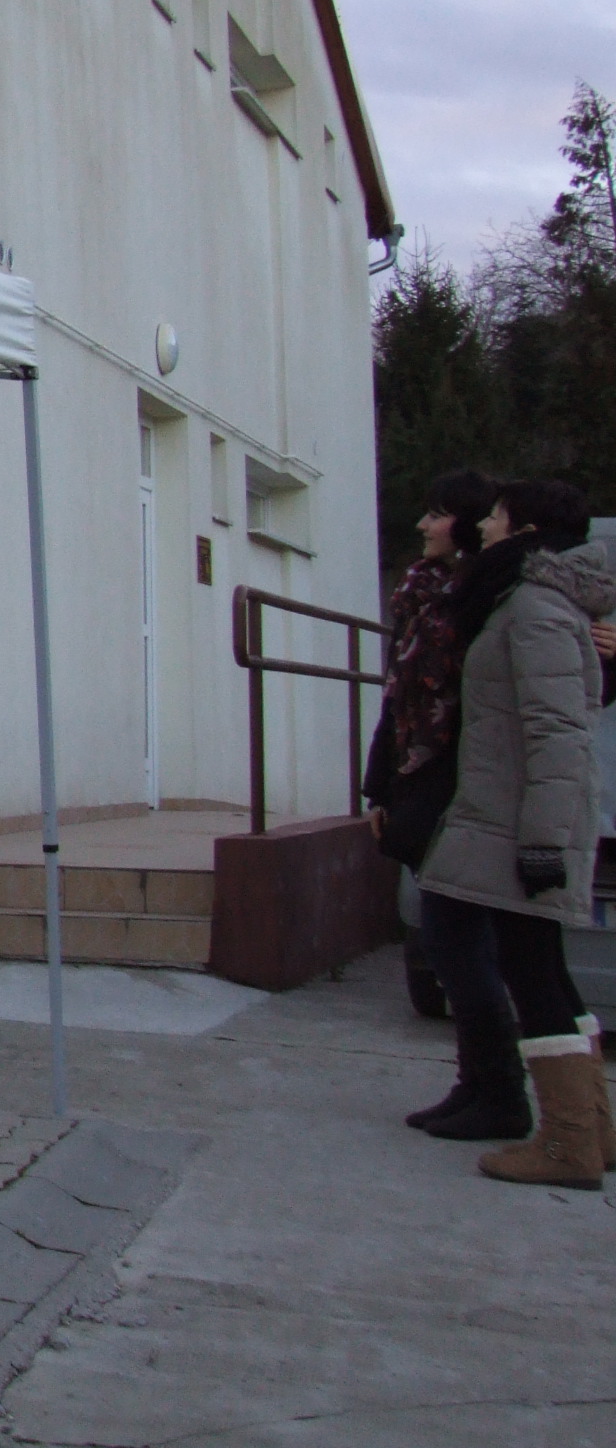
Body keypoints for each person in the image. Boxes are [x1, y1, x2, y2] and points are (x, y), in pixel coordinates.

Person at [417, 479, 616, 1189]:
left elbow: (557, 731)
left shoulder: (534, 607)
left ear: (526, 529)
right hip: (513, 817)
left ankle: (568, 1146)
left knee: (533, 975)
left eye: (497, 516)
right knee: (545, 970)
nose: (486, 525)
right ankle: (592, 1129)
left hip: (520, 825)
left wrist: (542, 842)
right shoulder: (527, 600)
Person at [368, 470, 510, 1137]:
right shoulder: (423, 594)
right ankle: (476, 1085)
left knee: (462, 943)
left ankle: (501, 1094)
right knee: (451, 942)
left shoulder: (490, 596)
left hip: (467, 782)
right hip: (421, 777)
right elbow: (398, 695)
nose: (423, 525)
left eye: (437, 514)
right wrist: (379, 785)